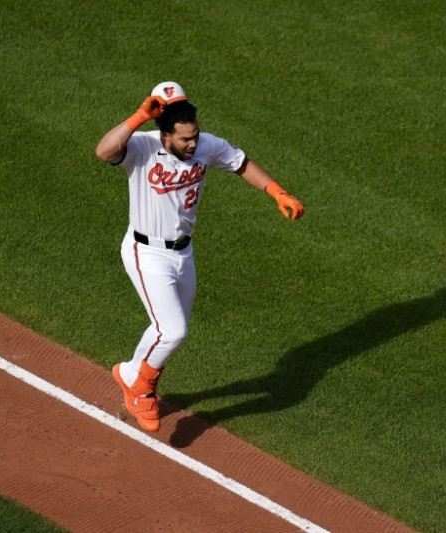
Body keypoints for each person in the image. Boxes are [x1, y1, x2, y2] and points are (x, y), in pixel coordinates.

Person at [95, 81, 304, 432]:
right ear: (163, 134)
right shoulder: (141, 147)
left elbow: (241, 164)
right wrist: (139, 117)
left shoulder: (206, 146)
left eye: (195, 136)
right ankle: (141, 389)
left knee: (170, 328)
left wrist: (277, 192)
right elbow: (103, 151)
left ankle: (129, 373)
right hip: (146, 252)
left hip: (183, 254)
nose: (193, 144)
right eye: (184, 139)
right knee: (171, 330)